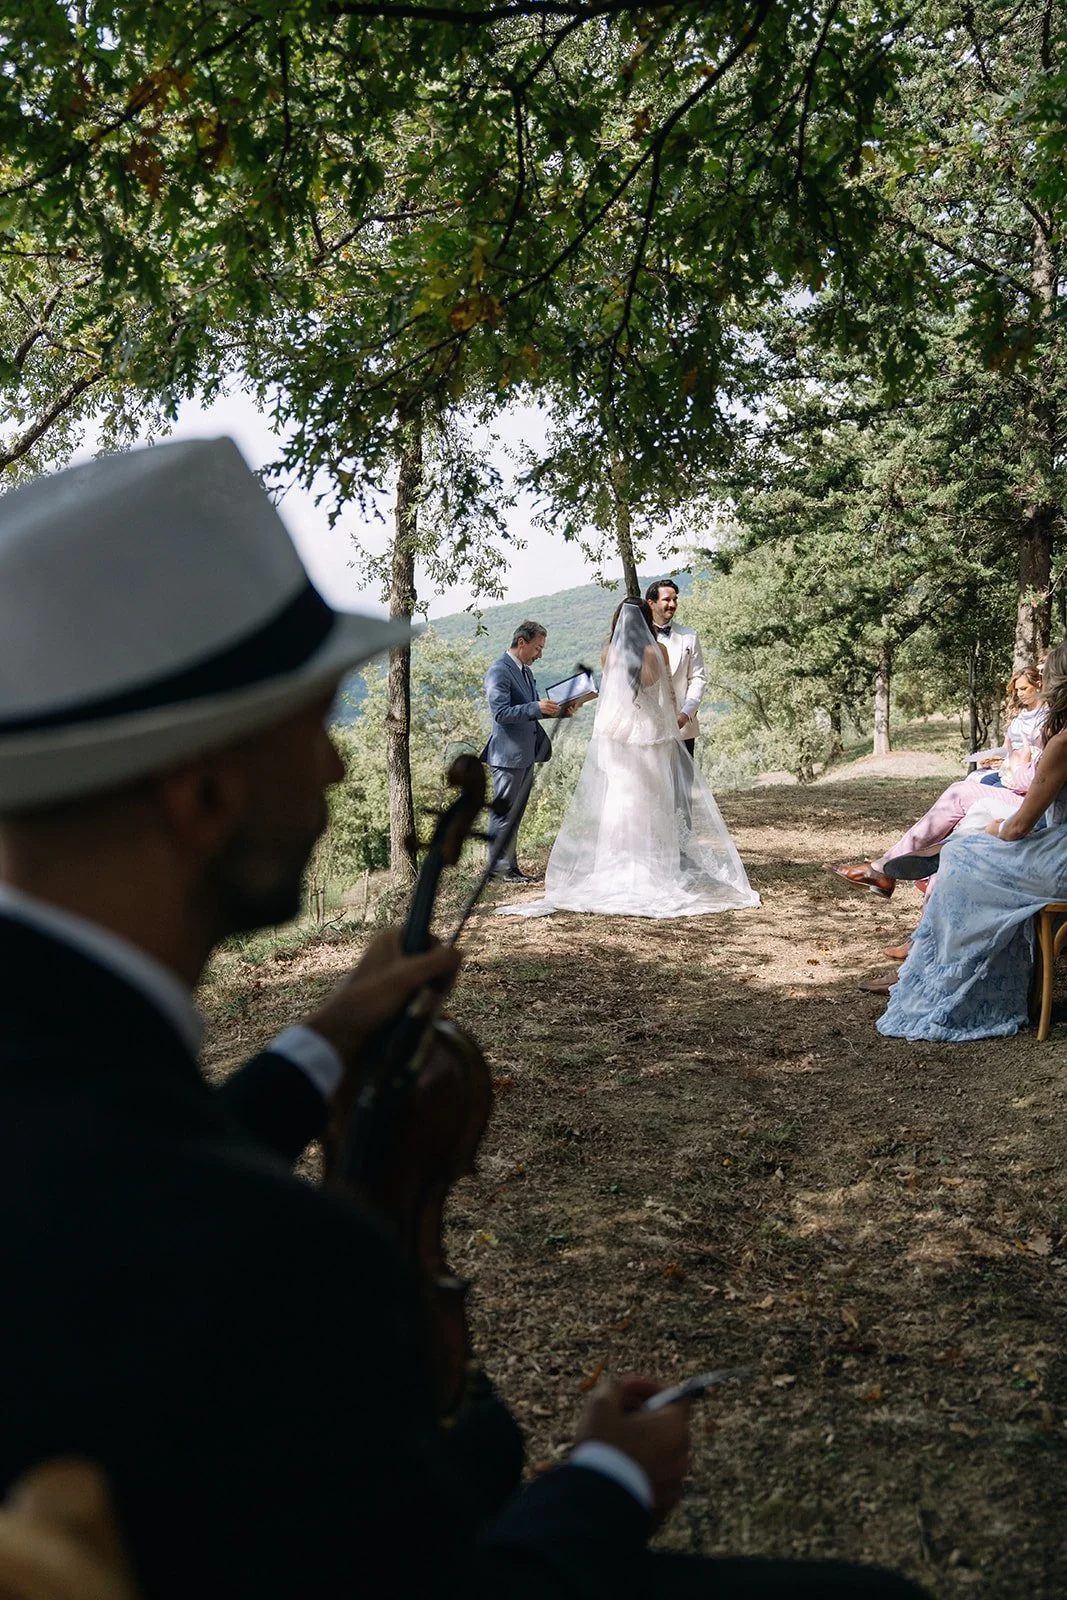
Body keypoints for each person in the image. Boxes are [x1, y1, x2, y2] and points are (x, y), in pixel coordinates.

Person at [0, 439, 927, 1600]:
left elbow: (137, 1143)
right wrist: (607, 1482)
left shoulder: (69, 1091)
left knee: (479, 1442)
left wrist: (323, 1033)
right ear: (204, 793)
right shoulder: (273, 1264)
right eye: (311, 723)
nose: (339, 769)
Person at [500, 599, 759, 918]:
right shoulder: (657, 651)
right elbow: (661, 693)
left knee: (621, 800)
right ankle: (655, 869)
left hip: (620, 733)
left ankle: (616, 868)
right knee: (654, 798)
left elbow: (614, 694)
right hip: (650, 730)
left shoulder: (610, 650)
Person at [876, 648, 1067, 1042]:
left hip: (1061, 856)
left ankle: (955, 986)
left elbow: (1017, 828)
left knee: (964, 854)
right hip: (1056, 843)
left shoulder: (1063, 744)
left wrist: (990, 831)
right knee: (969, 845)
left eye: (1047, 677)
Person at [824, 664, 1045, 898]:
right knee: (966, 814)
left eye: (1027, 687)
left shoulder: (1054, 724)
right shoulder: (1031, 720)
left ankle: (890, 869)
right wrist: (1005, 763)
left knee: (959, 794)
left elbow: (1040, 779)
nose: (1019, 693)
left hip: (1034, 805)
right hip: (1018, 790)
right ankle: (918, 887)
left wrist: (1017, 769)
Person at [483, 621, 566, 880]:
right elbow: (501, 713)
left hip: (526, 754)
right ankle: (497, 871)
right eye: (537, 648)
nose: (540, 654)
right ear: (522, 643)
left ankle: (511, 868)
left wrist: (559, 709)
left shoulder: (526, 672)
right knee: (504, 814)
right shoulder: (499, 671)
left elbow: (533, 709)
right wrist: (536, 708)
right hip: (507, 757)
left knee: (514, 815)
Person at [645, 578, 706, 757]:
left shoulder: (689, 636)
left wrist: (686, 713)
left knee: (684, 783)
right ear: (651, 603)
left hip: (683, 727)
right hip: (648, 729)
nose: (672, 604)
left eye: (675, 599)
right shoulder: (638, 640)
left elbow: (697, 678)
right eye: (667, 600)